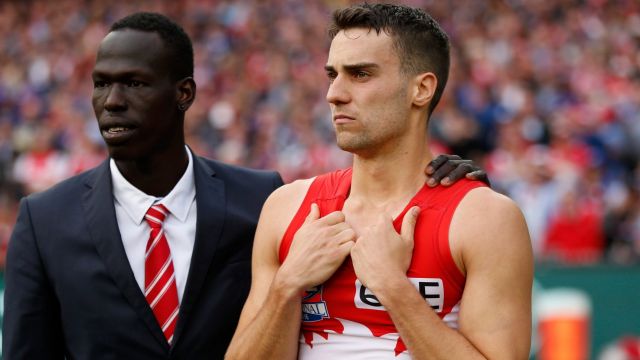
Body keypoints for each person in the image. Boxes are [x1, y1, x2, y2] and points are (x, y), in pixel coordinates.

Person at [3, 11, 486, 360]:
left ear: (184, 94)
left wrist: (445, 180)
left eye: (134, 83)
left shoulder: (262, 198)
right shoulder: (45, 220)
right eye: (100, 83)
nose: (111, 102)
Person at [226, 4, 533, 360]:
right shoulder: (287, 207)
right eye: (332, 74)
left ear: (421, 89)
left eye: (360, 74)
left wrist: (393, 289)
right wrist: (287, 287)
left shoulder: (485, 219)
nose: (334, 94)